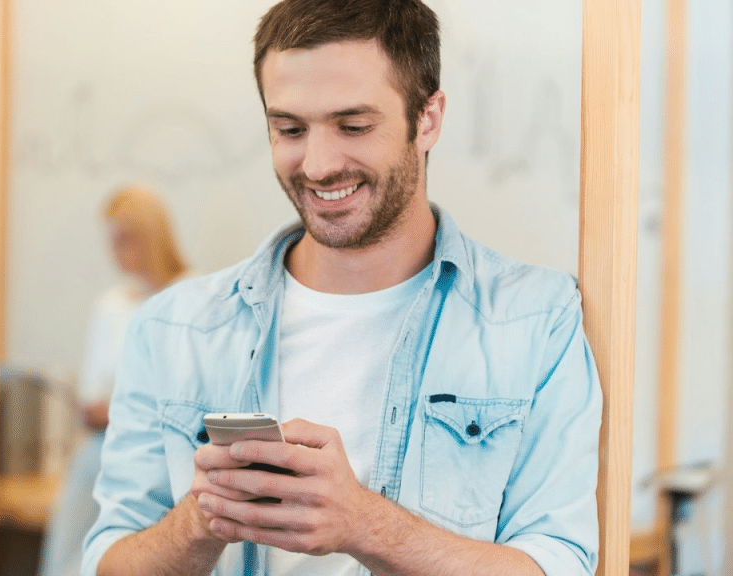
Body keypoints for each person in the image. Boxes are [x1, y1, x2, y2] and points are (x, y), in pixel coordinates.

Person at [83, 1, 602, 576]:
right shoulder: (173, 327)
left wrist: (365, 524)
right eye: (290, 129)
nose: (320, 164)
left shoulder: (536, 321)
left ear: (427, 119)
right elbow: (109, 560)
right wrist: (201, 520)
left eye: (353, 126)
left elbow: (557, 564)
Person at [39, 185, 189, 576]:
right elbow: (93, 390)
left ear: (149, 236)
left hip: (161, 454)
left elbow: (194, 399)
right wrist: (93, 409)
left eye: (123, 240)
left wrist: (123, 409)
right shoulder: (110, 306)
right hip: (100, 449)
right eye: (110, 242)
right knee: (63, 560)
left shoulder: (194, 298)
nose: (114, 252)